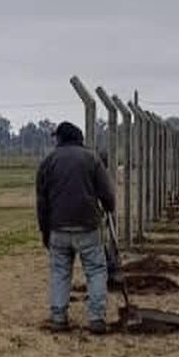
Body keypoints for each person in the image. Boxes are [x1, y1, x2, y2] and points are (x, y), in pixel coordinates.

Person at [36, 121, 116, 334]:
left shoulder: (48, 161)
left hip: (58, 228)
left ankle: (58, 317)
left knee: (60, 272)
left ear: (61, 138)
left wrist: (45, 231)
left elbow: (42, 201)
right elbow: (107, 192)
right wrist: (109, 208)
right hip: (88, 226)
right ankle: (97, 318)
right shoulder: (92, 159)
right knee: (96, 270)